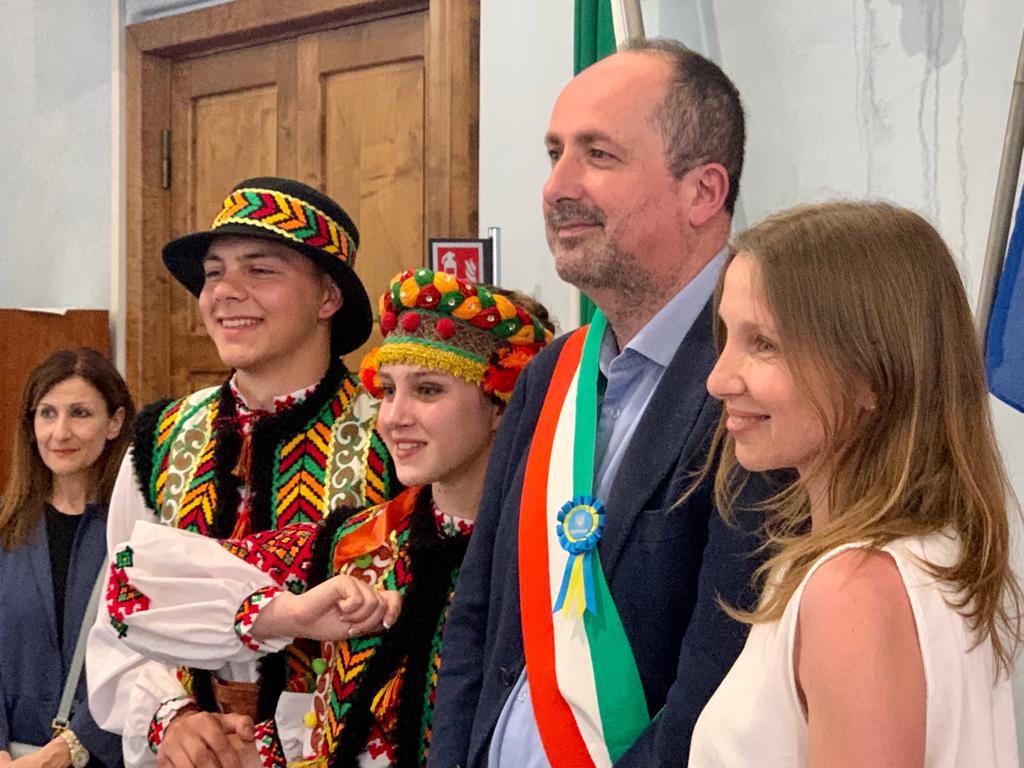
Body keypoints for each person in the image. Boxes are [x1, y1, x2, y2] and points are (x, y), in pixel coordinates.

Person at [428, 39, 767, 768]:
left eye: (598, 155)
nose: (556, 187)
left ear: (703, 192)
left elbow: (726, 675)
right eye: (555, 153)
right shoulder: (551, 374)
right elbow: (477, 621)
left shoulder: (762, 382)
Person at [87, 268, 552, 768]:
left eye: (428, 390)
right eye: (388, 390)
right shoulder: (359, 542)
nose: (394, 416)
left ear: (502, 404)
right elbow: (130, 584)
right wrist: (287, 615)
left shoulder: (550, 558)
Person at [688, 201, 1022, 767]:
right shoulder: (923, 557)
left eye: (763, 343)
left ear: (871, 374)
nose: (718, 379)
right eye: (727, 336)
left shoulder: (855, 592)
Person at [86, 177, 399, 768]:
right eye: (213, 273)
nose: (225, 292)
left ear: (328, 297)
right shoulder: (161, 441)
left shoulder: (393, 438)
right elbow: (119, 616)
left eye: (260, 270)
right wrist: (172, 718)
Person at [0, 348, 135, 768]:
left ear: (114, 422)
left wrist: (71, 748)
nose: (60, 432)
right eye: (47, 414)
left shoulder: (138, 530)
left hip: (108, 758)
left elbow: (147, 655)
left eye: (80, 413)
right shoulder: (5, 528)